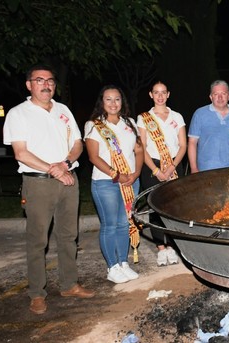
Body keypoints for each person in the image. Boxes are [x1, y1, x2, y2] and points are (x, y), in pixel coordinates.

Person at [3, 64, 95, 315]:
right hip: (38, 183)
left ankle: (69, 284)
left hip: (68, 180)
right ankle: (36, 293)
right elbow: (20, 152)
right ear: (29, 84)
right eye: (39, 80)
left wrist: (65, 165)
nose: (46, 84)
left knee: (68, 236)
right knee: (37, 241)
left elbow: (78, 143)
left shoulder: (63, 110)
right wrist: (53, 169)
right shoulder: (18, 113)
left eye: (50, 81)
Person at [85, 85, 143, 284]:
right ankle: (112, 266)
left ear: (122, 102)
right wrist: (116, 175)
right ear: (102, 102)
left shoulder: (130, 123)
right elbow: (93, 157)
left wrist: (135, 174)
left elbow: (139, 151)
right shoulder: (94, 125)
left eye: (117, 99)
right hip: (106, 183)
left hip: (130, 181)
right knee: (110, 225)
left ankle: (123, 262)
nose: (113, 103)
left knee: (123, 224)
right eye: (108, 99)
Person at [137, 81, 186, 266]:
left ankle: (172, 246)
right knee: (155, 207)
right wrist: (156, 170)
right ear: (151, 95)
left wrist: (172, 166)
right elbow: (141, 147)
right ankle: (161, 248)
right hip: (152, 167)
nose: (160, 96)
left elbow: (183, 145)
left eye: (163, 92)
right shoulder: (144, 118)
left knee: (173, 207)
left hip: (174, 164)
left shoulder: (177, 116)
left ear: (168, 94)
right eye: (156, 92)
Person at [188, 80, 229, 172]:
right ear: (211, 97)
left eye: (223, 93)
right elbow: (192, 142)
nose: (220, 97)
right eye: (215, 94)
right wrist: (194, 168)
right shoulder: (199, 114)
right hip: (206, 170)